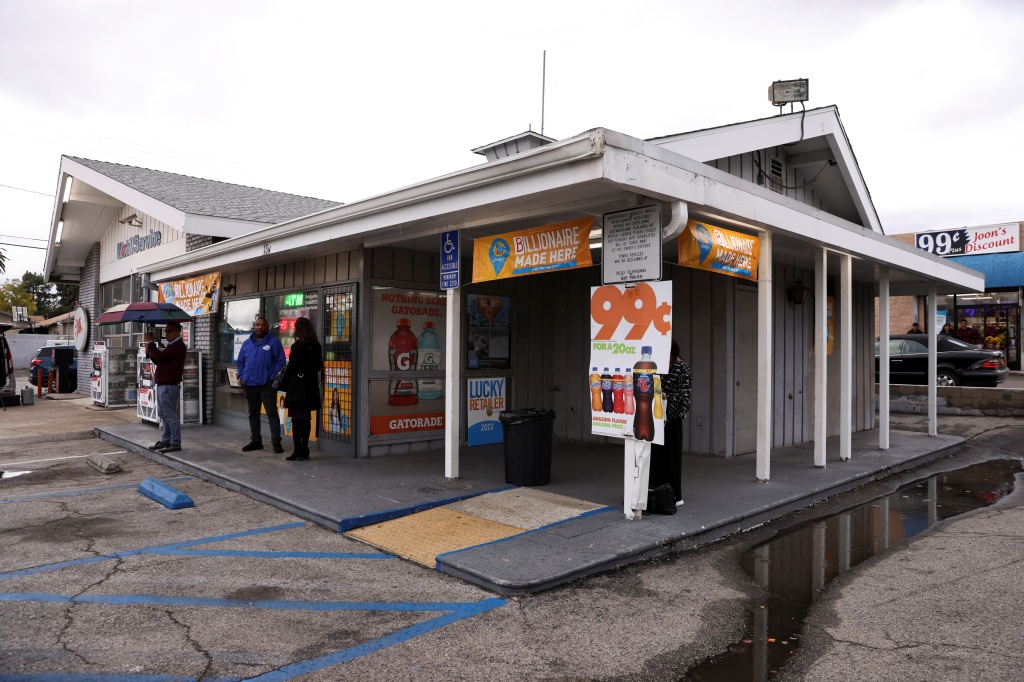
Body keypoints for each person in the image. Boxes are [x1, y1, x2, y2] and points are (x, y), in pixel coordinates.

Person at [649, 339, 692, 505]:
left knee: (671, 458)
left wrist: (665, 395)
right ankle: (656, 493)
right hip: (657, 417)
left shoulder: (682, 368)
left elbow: (685, 399)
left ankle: (673, 495)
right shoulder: (657, 366)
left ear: (673, 354)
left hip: (672, 420)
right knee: (655, 457)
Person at [236, 317, 287, 453]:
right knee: (253, 413)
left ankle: (276, 442)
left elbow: (281, 361)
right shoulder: (247, 343)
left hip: (267, 385)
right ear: (254, 326)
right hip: (250, 384)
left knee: (272, 413)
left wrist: (271, 377)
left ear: (267, 327)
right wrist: (242, 376)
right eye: (257, 325)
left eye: (262, 325)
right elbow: (240, 362)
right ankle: (256, 441)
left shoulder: (274, 343)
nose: (259, 327)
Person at [280, 317, 323, 461]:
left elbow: (291, 367)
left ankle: (297, 450)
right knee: (306, 418)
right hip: (310, 386)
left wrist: (282, 385)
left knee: (296, 420)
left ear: (298, 329)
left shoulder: (297, 346)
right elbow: (318, 366)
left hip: (297, 387)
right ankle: (304, 450)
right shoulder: (316, 345)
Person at [144, 321, 186, 453]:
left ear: (178, 332)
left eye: (169, 331)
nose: (166, 334)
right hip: (163, 385)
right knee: (163, 414)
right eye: (165, 331)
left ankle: (175, 442)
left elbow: (161, 356)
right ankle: (166, 439)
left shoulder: (178, 346)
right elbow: (159, 359)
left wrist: (151, 343)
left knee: (170, 415)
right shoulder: (171, 346)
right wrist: (150, 353)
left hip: (169, 385)